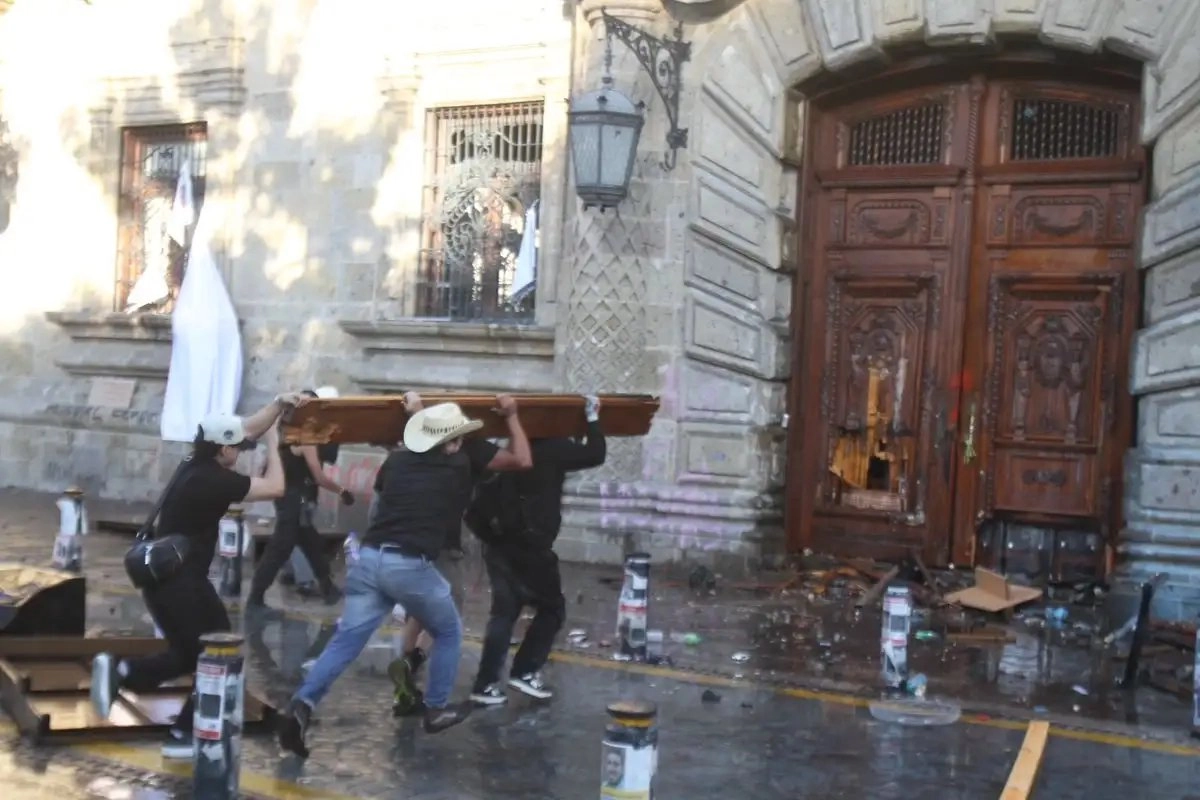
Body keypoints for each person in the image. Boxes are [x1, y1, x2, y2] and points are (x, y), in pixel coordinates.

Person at [277, 392, 532, 757]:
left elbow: (419, 453)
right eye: (457, 437)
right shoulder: (461, 464)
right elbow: (515, 458)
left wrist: (418, 416)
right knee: (448, 630)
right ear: (452, 443)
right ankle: (436, 708)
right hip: (409, 565)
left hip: (369, 560)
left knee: (345, 642)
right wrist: (509, 416)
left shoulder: (396, 462)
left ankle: (301, 707)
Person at [89, 392, 310, 759]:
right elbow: (276, 487)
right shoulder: (215, 480)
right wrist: (274, 442)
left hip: (162, 581)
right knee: (218, 652)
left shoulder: (195, 463)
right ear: (223, 450)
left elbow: (244, 428)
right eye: (236, 449)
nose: (239, 452)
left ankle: (124, 672)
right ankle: (182, 732)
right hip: (184, 583)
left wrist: (277, 404)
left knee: (188, 653)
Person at [467, 394, 605, 705]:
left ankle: (486, 684)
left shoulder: (504, 450)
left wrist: (492, 538)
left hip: (500, 546)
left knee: (504, 614)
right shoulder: (553, 449)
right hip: (531, 547)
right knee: (552, 608)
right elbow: (595, 453)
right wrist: (593, 420)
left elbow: (474, 512)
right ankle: (525, 671)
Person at [247, 387, 352, 610]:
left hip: (286, 498)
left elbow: (265, 465)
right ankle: (256, 596)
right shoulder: (305, 438)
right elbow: (319, 476)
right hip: (296, 501)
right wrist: (342, 491)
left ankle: (328, 589)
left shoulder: (283, 432)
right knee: (280, 548)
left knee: (311, 543)